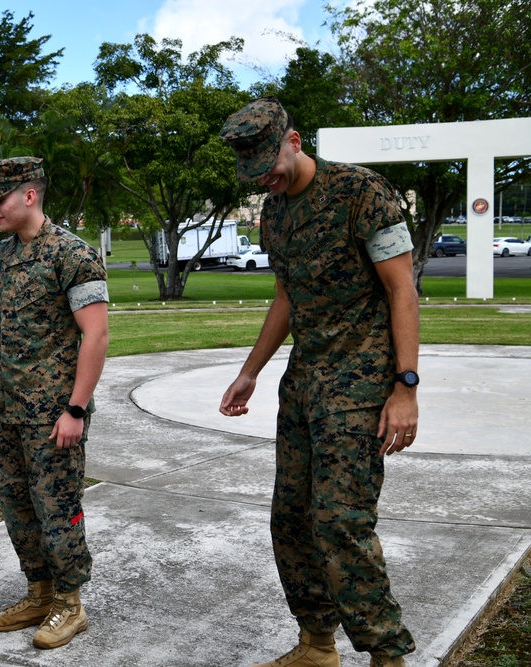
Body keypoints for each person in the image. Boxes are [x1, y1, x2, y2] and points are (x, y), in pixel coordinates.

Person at [218, 98, 420, 667]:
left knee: (341, 523)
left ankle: (387, 654)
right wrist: (250, 371)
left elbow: (402, 289)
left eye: (271, 166)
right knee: (292, 520)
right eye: (256, 174)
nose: (268, 179)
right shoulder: (274, 212)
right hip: (303, 384)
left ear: (295, 140)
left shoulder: (362, 193)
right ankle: (316, 643)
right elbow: (285, 295)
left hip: (359, 385)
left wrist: (405, 388)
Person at [0, 157, 109, 650]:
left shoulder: (73, 255)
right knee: (16, 503)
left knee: (57, 505)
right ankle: (38, 591)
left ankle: (70, 603)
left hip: (54, 412)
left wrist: (75, 409)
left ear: (29, 195)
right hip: (7, 408)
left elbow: (96, 335)